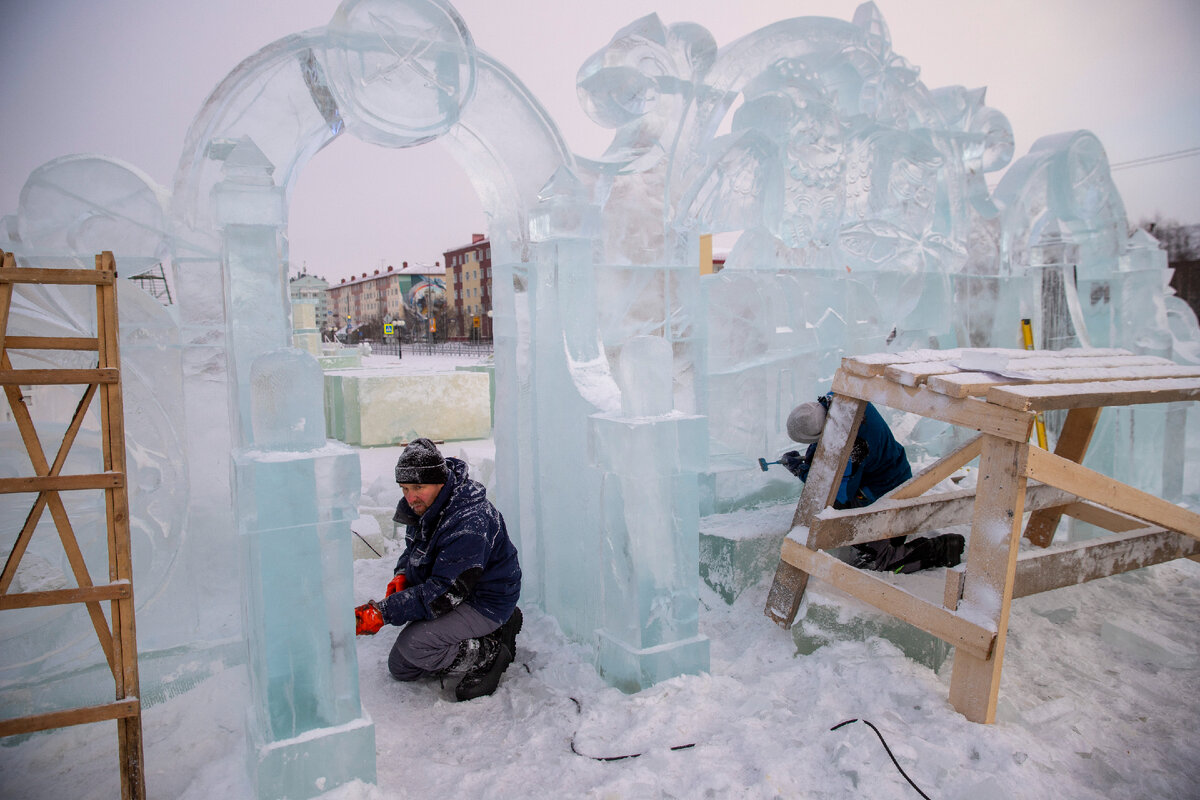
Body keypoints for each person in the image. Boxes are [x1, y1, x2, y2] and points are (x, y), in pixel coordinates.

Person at [354, 437, 523, 701]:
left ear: (439, 481)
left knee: (414, 646)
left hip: (483, 600)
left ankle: (490, 649)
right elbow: (413, 549)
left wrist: (384, 612)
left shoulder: (469, 521)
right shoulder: (426, 505)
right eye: (405, 488)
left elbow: (445, 594)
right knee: (403, 667)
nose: (410, 497)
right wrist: (402, 574)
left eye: (418, 487)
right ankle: (465, 637)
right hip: (454, 588)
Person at [780, 393, 964, 574]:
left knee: (873, 563)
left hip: (886, 497)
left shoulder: (854, 448)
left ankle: (944, 548)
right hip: (893, 475)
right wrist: (813, 458)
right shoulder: (841, 399)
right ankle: (889, 538)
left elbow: (840, 493)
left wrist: (802, 471)